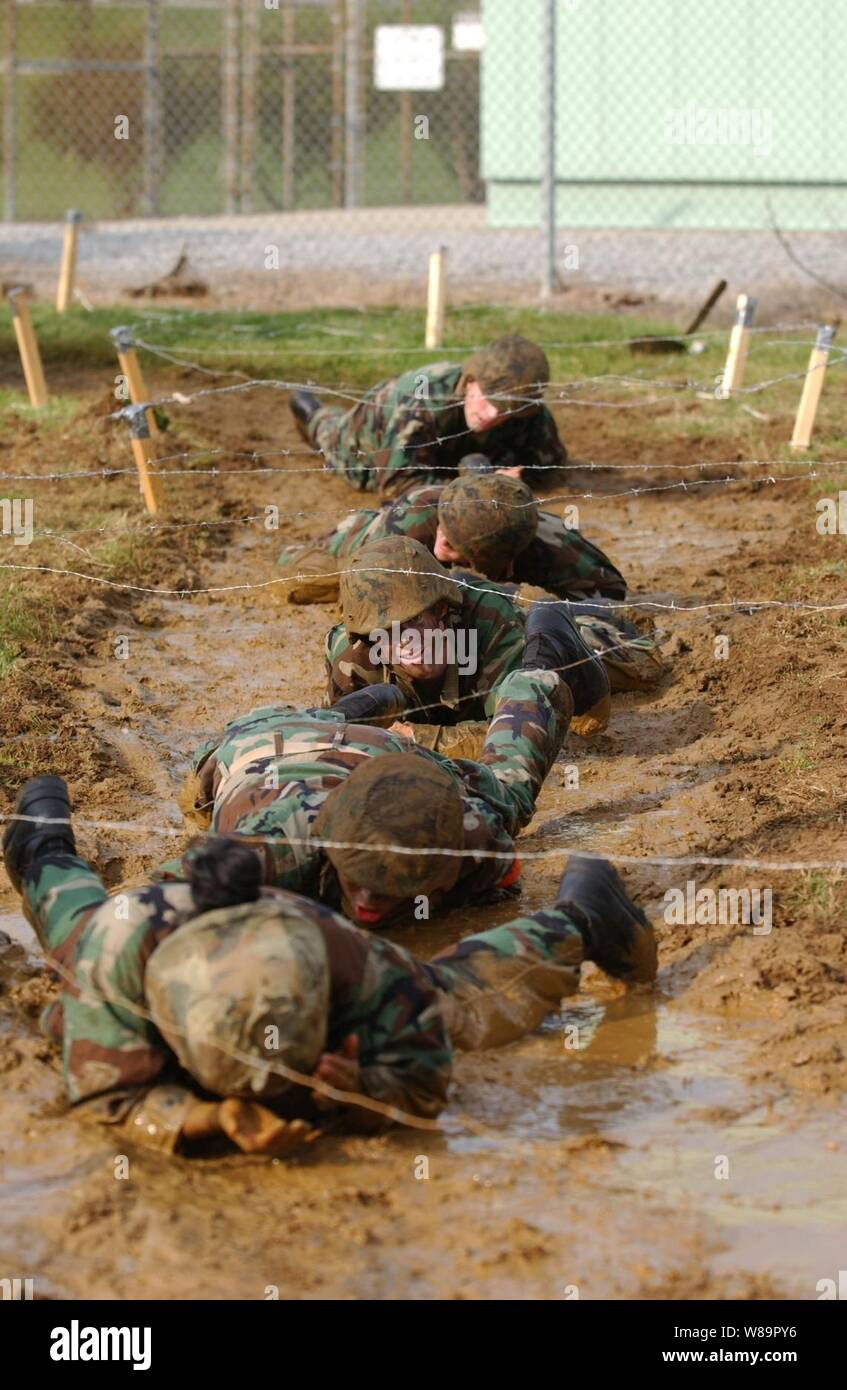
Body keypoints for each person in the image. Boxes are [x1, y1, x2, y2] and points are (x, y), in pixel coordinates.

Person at [2, 774, 656, 1157]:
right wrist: (210, 1122)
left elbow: (424, 1078)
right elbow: (108, 1095)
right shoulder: (117, 956)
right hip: (144, 931)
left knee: (451, 1000)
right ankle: (40, 839)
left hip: (301, 943)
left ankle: (580, 918)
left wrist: (361, 1089)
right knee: (73, 922)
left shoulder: (358, 962)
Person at [176, 610, 585, 927]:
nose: (367, 902)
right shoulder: (270, 848)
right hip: (259, 737)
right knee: (198, 800)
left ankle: (543, 655)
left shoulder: (466, 840)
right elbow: (159, 898)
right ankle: (354, 709)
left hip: (384, 753)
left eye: (387, 886)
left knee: (509, 797)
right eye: (356, 878)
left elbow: (503, 881)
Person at [278, 467, 626, 605]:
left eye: (457, 543)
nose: (442, 540)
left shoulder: (551, 541)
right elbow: (372, 599)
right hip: (358, 536)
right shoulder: (411, 524)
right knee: (308, 574)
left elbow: (611, 592)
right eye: (445, 528)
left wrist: (532, 605)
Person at [289, 334, 567, 494]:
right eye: (486, 399)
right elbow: (398, 483)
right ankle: (312, 411)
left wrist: (519, 477)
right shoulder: (421, 403)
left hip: (445, 455)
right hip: (369, 436)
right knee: (331, 434)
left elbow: (550, 462)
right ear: (470, 380)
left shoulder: (525, 410)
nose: (491, 414)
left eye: (506, 409)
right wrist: (475, 486)